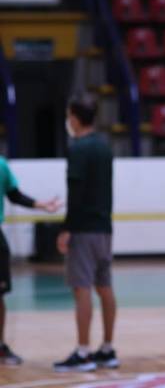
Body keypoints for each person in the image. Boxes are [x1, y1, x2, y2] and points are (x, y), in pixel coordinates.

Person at [54, 94, 118, 372]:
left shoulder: (78, 148)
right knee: (105, 288)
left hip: (84, 230)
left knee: (82, 290)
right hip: (105, 228)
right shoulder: (105, 147)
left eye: (69, 115)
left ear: (75, 118)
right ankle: (107, 349)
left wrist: (67, 228)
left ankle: (83, 352)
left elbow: (76, 193)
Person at [0, 157, 60, 365]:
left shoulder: (1, 165)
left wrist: (41, 205)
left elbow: (14, 195)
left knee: (0, 295)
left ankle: (0, 347)